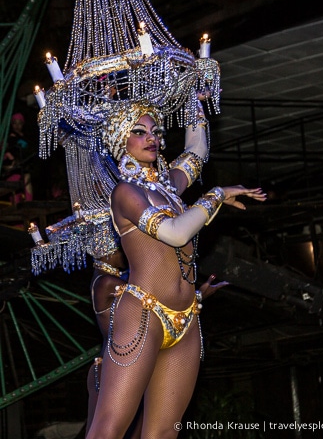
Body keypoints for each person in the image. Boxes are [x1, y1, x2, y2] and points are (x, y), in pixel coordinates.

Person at [85, 100, 266, 439]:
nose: (151, 138)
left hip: (187, 316)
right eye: (139, 132)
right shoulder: (126, 193)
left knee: (164, 432)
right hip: (143, 313)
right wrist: (216, 195)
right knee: (108, 428)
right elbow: (176, 233)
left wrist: (195, 96)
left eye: (155, 131)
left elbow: (197, 149)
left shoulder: (170, 186)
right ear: (119, 140)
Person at [86, 247, 228, 438]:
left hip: (139, 362)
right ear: (105, 253)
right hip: (112, 369)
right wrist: (195, 295)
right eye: (119, 249)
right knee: (110, 430)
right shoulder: (105, 282)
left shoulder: (117, 280)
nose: (125, 253)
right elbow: (151, 293)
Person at [2, 112, 33, 203]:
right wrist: (10, 157)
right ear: (12, 124)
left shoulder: (25, 138)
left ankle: (28, 203)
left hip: (22, 168)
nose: (17, 126)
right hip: (12, 169)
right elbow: (4, 149)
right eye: (15, 123)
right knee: (15, 190)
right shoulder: (10, 136)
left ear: (22, 124)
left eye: (19, 123)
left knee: (27, 179)